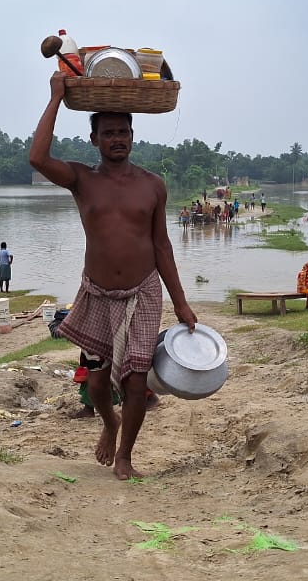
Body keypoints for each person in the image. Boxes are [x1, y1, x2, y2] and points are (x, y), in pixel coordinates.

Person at [29, 72, 197, 480]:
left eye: (123, 132)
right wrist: (55, 98)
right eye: (108, 133)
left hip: (142, 294)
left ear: (133, 137)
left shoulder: (153, 186)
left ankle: (125, 456)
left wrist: (181, 302)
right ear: (95, 140)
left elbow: (162, 247)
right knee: (99, 385)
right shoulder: (82, 180)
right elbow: (37, 158)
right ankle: (109, 421)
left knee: (137, 383)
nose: (117, 139)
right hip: (97, 294)